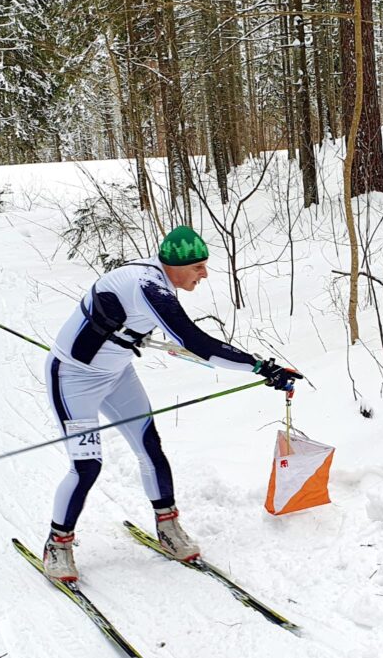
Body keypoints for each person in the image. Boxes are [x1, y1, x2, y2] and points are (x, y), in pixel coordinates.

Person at [42, 225, 302, 582]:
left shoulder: (154, 282)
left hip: (117, 376)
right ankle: (58, 543)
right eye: (198, 267)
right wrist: (259, 367)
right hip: (73, 379)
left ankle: (167, 527)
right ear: (175, 266)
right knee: (87, 467)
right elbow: (199, 343)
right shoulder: (151, 288)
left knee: (151, 448)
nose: (204, 274)